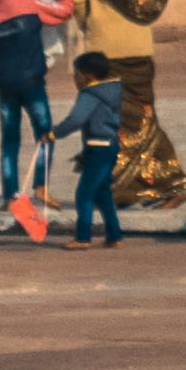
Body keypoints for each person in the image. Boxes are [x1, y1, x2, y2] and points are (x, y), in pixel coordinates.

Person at [75, 0, 186, 211]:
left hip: (102, 49)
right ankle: (168, 182)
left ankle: (119, 189)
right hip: (139, 47)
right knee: (141, 116)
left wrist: (91, 24)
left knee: (104, 119)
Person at [0, 0, 73, 211]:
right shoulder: (28, 6)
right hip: (32, 83)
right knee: (45, 134)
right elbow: (64, 12)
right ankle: (41, 187)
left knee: (9, 142)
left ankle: (10, 197)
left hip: (5, 88)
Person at [40, 51, 131, 245]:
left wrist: (53, 134)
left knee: (84, 194)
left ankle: (83, 237)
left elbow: (76, 119)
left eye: (77, 73)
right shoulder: (112, 91)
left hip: (98, 147)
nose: (75, 77)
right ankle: (114, 235)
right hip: (109, 146)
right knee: (102, 193)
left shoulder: (90, 94)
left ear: (87, 75)